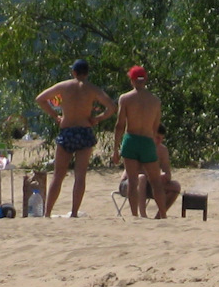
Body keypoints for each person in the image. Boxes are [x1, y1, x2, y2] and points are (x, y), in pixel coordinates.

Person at [35, 60, 113, 217]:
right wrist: (98, 118)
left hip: (67, 130)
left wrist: (55, 115)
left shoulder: (64, 86)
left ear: (74, 72)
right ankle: (74, 212)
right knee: (80, 175)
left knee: (58, 175)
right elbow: (112, 106)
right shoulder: (92, 89)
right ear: (87, 73)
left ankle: (47, 212)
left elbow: (40, 99)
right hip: (84, 130)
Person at [112, 65, 163, 217]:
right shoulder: (155, 101)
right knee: (155, 181)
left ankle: (134, 215)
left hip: (131, 139)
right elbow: (156, 126)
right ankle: (163, 214)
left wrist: (115, 149)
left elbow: (119, 125)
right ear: (145, 79)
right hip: (147, 140)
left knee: (133, 181)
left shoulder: (126, 98)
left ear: (132, 80)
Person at [149, 124, 182, 219]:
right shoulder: (143, 146)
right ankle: (142, 215)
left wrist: (165, 176)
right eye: (157, 137)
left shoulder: (162, 150)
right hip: (141, 182)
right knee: (142, 179)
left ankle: (159, 215)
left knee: (176, 186)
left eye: (162, 138)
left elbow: (167, 171)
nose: (159, 141)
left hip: (155, 182)